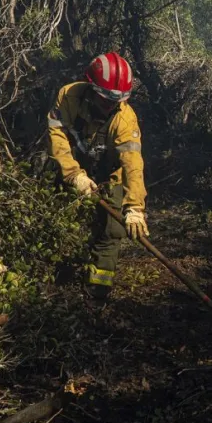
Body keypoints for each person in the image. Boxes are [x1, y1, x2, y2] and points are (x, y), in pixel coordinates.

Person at [47, 51, 149, 299]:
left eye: (117, 100)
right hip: (72, 164)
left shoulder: (125, 119)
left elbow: (132, 164)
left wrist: (134, 207)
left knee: (112, 230)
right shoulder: (68, 96)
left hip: (110, 173)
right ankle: (53, 278)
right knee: (56, 215)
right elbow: (57, 137)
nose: (111, 105)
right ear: (91, 88)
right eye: (105, 99)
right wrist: (73, 175)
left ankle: (97, 291)